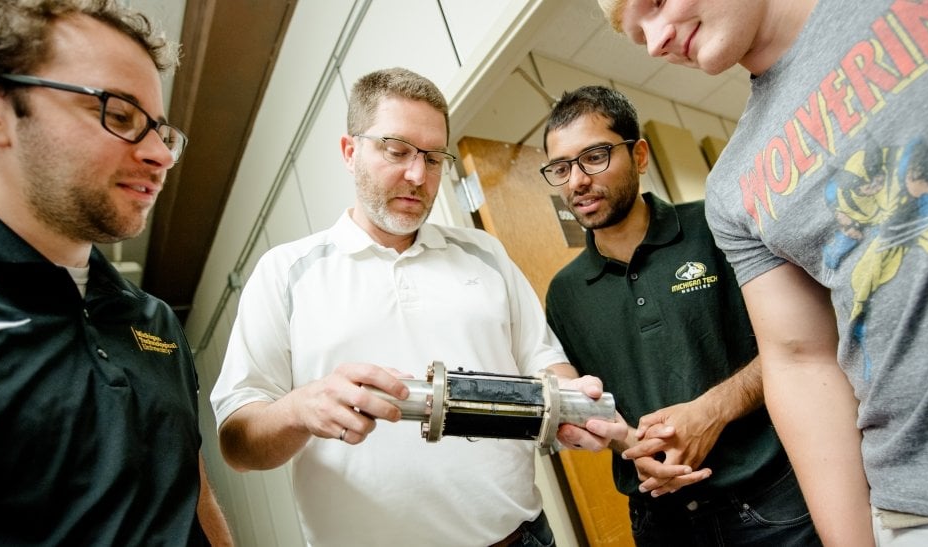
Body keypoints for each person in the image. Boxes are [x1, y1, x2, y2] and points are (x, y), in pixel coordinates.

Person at [597, 0, 928, 545]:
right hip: (920, 506)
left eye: (658, 2)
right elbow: (799, 359)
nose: (658, 38)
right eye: (638, 35)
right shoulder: (734, 184)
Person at [210, 67, 625, 547]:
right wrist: (299, 409)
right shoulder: (285, 271)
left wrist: (575, 406)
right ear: (350, 151)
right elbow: (237, 444)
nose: (417, 175)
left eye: (433, 158)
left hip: (518, 538)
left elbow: (541, 359)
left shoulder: (484, 253)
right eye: (396, 150)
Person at [0, 0, 233, 545]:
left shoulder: (154, 320)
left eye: (162, 131)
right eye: (119, 116)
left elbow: (195, 493)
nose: (161, 154)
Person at [541, 85, 819, 546]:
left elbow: (800, 342)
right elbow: (593, 407)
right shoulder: (565, 294)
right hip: (660, 522)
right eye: (561, 168)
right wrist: (629, 444)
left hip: (770, 505)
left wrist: (712, 410)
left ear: (641, 155)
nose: (577, 181)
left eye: (594, 156)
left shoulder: (716, 226)